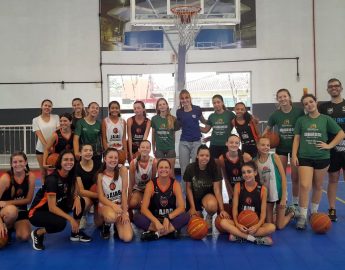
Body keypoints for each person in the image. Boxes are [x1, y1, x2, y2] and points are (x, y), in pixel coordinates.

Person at [292, 94, 345, 229]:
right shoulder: (301, 120)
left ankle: (314, 212)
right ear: (304, 107)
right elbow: (297, 138)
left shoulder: (326, 119)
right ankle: (303, 215)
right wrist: (293, 155)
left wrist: (329, 145)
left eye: (311, 101)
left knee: (318, 186)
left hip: (322, 157)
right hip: (305, 157)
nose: (309, 104)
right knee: (304, 185)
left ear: (316, 102)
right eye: (305, 103)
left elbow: (341, 133)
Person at [29, 150, 92, 251]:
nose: (69, 162)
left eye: (71, 160)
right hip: (38, 212)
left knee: (81, 201)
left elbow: (76, 190)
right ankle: (38, 233)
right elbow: (52, 207)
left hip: (58, 204)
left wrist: (76, 197)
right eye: (66, 159)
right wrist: (71, 219)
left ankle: (75, 233)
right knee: (60, 223)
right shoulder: (52, 180)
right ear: (60, 162)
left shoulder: (71, 174)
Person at [263, 89, 304, 210]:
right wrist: (262, 140)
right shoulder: (275, 115)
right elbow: (267, 130)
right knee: (281, 176)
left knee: (295, 177)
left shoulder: (299, 112)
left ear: (289, 97)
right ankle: (283, 200)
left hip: (296, 149)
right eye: (279, 97)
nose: (282, 99)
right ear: (277, 99)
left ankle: (295, 203)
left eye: (284, 96)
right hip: (281, 148)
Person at [220, 161, 276, 246]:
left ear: (255, 172)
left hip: (255, 224)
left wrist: (257, 226)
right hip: (240, 222)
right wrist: (237, 224)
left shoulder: (263, 189)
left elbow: (263, 213)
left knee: (272, 227)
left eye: (249, 171)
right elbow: (234, 208)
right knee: (223, 222)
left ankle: (239, 236)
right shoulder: (238, 186)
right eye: (243, 172)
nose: (246, 174)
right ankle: (254, 239)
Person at [133, 159, 189, 241]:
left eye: (166, 167)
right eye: (161, 167)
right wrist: (156, 222)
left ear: (170, 170)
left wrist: (168, 217)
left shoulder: (175, 184)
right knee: (137, 217)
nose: (164, 169)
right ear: (157, 169)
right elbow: (144, 209)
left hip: (170, 219)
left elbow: (181, 208)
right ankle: (169, 231)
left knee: (186, 216)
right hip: (154, 219)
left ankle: (157, 233)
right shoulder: (151, 184)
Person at [184, 144, 229, 228]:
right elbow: (188, 189)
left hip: (207, 196)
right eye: (201, 155)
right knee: (195, 224)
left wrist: (222, 210)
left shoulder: (214, 168)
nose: (204, 157)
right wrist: (192, 208)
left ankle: (209, 216)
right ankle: (198, 212)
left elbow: (217, 190)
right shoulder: (190, 168)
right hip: (194, 197)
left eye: (207, 155)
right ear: (197, 156)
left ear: (210, 156)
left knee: (212, 206)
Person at [319, 78, 345, 221]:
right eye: (331, 86)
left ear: (341, 88)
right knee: (333, 179)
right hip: (332, 149)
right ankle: (332, 208)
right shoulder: (323, 107)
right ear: (328, 89)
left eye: (336, 86)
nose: (334, 88)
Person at [256, 137, 296, 229]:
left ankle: (291, 213)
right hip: (267, 195)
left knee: (279, 226)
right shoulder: (255, 161)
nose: (266, 147)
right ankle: (277, 214)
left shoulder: (274, 157)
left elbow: (283, 177)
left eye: (268, 145)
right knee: (269, 224)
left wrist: (283, 198)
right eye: (263, 145)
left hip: (279, 193)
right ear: (257, 146)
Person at [97, 148, 133, 242]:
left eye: (115, 158)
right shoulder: (100, 175)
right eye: (110, 157)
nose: (113, 160)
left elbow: (124, 192)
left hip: (120, 206)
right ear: (105, 159)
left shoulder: (123, 170)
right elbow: (101, 197)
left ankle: (118, 226)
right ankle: (106, 224)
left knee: (127, 238)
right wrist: (113, 206)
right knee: (111, 217)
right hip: (107, 206)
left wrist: (125, 213)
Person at [0, 152, 35, 242]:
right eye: (15, 162)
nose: (18, 164)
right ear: (11, 164)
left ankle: (10, 227)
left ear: (26, 162)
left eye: (21, 161)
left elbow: (28, 200)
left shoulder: (30, 176)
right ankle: (5, 225)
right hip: (4, 213)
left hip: (21, 211)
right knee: (12, 211)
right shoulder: (5, 179)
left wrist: (8, 203)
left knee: (24, 236)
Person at [176, 90, 206, 187]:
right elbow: (178, 126)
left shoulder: (197, 109)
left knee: (195, 168)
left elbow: (204, 121)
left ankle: (194, 192)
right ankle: (183, 196)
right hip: (184, 142)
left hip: (196, 142)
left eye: (186, 97)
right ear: (180, 100)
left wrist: (213, 122)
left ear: (190, 98)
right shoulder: (179, 112)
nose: (185, 100)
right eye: (182, 98)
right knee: (184, 170)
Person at [200, 95, 235, 163]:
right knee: (215, 166)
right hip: (214, 144)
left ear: (222, 103)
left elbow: (238, 125)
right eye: (214, 103)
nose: (216, 104)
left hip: (226, 145)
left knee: (226, 165)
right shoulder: (211, 116)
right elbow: (205, 130)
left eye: (218, 102)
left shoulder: (230, 114)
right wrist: (194, 125)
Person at [219, 134, 252, 206]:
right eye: (231, 142)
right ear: (226, 143)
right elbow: (226, 178)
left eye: (236, 143)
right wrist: (231, 195)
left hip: (246, 187)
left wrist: (250, 192)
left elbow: (253, 177)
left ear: (239, 144)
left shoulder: (246, 157)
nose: (234, 145)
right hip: (233, 188)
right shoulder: (222, 159)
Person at [32, 99, 60, 183]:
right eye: (45, 105)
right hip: (41, 149)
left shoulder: (56, 117)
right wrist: (48, 147)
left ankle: (55, 190)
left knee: (56, 171)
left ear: (51, 108)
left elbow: (58, 132)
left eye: (49, 106)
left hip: (55, 149)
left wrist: (53, 146)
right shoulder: (36, 120)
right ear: (41, 106)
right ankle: (44, 191)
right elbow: (39, 135)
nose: (47, 107)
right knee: (43, 172)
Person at [151, 98, 179, 177]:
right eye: (160, 104)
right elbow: (153, 135)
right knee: (160, 172)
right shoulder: (154, 119)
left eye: (164, 104)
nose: (162, 106)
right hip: (159, 149)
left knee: (171, 172)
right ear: (157, 107)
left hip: (170, 148)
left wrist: (172, 147)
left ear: (167, 106)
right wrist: (153, 149)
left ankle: (172, 189)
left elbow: (173, 135)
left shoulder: (173, 119)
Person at [75, 144, 101, 229]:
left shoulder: (98, 164)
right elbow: (81, 191)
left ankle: (97, 207)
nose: (88, 152)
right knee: (84, 203)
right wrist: (98, 195)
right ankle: (83, 215)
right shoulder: (77, 167)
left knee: (99, 224)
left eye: (90, 150)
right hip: (86, 195)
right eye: (85, 150)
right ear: (80, 153)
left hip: (98, 195)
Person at [128, 140, 157, 210]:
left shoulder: (154, 162)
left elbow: (153, 180)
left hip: (149, 189)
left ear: (150, 150)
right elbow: (131, 183)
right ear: (139, 149)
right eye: (143, 147)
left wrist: (151, 193)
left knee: (152, 205)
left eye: (147, 147)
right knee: (132, 203)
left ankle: (144, 205)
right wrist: (128, 201)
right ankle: (140, 204)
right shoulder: (133, 163)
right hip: (138, 189)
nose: (145, 149)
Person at [74, 102, 103, 171]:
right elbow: (75, 139)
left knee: (96, 174)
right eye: (93, 107)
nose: (95, 110)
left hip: (96, 154)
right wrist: (76, 152)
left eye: (97, 108)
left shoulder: (99, 124)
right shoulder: (80, 122)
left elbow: (102, 139)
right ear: (88, 109)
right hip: (84, 154)